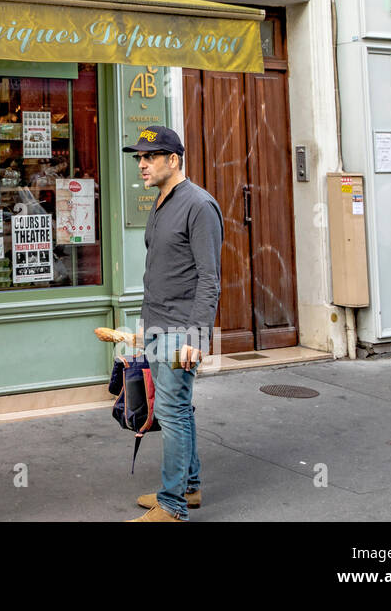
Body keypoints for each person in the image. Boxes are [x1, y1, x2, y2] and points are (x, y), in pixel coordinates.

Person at [121, 125, 222, 522]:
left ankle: (172, 505)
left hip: (182, 328)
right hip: (158, 323)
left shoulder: (199, 205)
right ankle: (190, 488)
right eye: (139, 158)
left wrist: (197, 334)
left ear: (173, 159)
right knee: (179, 409)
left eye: (149, 157)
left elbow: (209, 277)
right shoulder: (162, 200)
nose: (142, 164)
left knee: (173, 411)